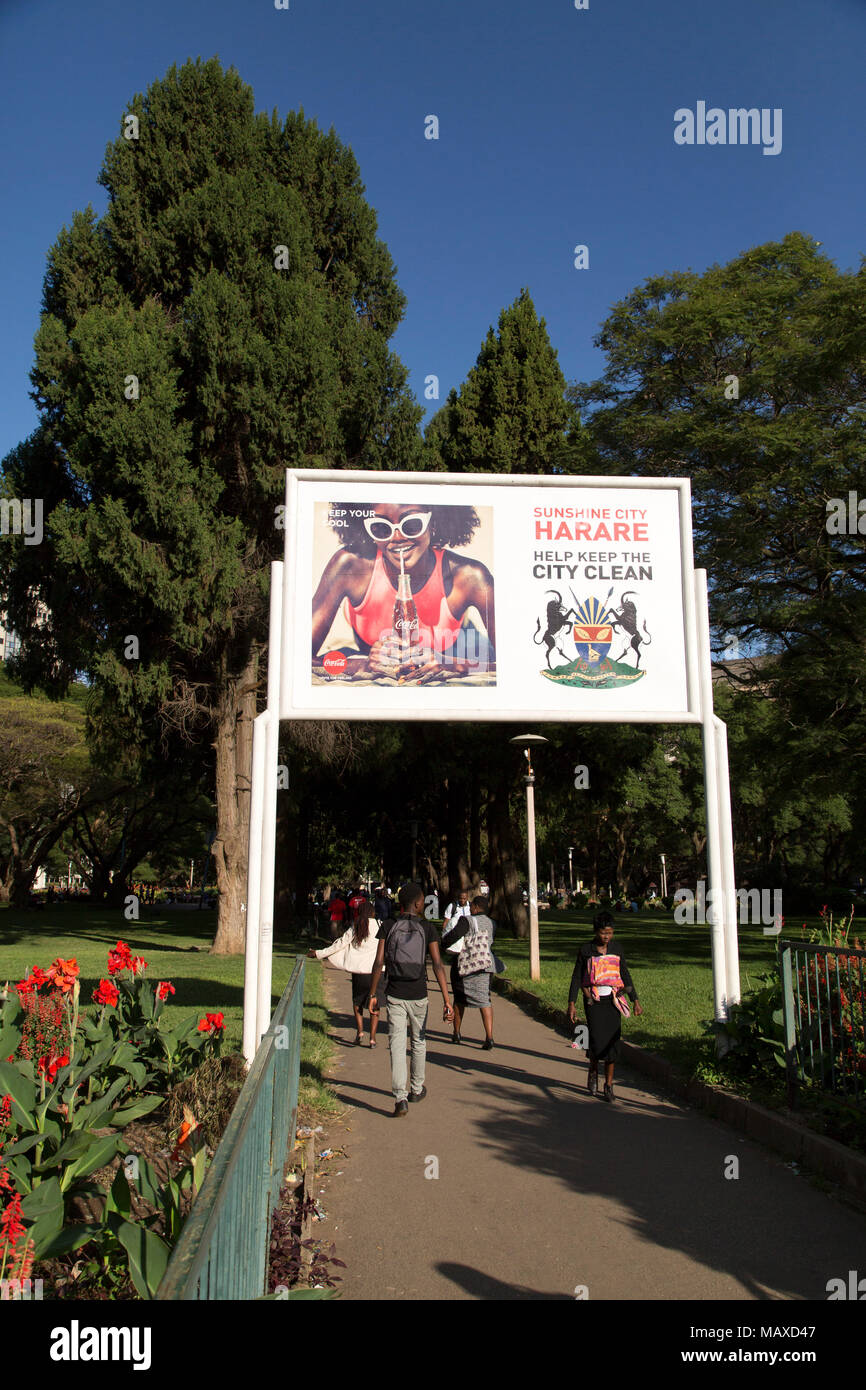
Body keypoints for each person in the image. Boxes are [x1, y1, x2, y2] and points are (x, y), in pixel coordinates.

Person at [311, 502, 495, 680]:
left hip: (450, 648)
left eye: (412, 525)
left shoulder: (469, 576)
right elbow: (300, 656)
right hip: (365, 651)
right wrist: (360, 665)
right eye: (381, 528)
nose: (397, 537)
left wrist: (448, 664)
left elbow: (514, 661)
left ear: (434, 523)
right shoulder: (349, 566)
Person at [368, 882, 454, 1117]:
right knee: (419, 1041)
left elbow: (378, 962)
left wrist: (373, 993)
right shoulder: (428, 929)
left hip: (394, 993)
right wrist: (447, 999)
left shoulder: (388, 925)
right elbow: (437, 964)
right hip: (419, 995)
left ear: (399, 903)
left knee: (396, 1043)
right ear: (418, 904)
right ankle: (416, 1088)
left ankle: (400, 1097)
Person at [567, 911, 643, 1103]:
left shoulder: (617, 949)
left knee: (612, 1043)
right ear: (596, 932)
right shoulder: (586, 950)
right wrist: (572, 1003)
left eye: (610, 933)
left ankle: (609, 1085)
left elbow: (624, 973)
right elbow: (577, 977)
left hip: (613, 1001)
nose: (606, 937)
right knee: (595, 1040)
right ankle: (593, 1071)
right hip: (593, 1002)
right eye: (603, 933)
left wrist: (635, 1000)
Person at [309, 899, 383, 1046]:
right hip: (376, 972)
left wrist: (318, 953)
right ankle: (373, 1038)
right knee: (375, 1004)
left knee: (357, 1003)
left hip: (358, 971)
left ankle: (360, 1031)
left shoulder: (356, 926)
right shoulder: (380, 925)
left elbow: (340, 944)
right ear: (373, 913)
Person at [441, 895, 497, 1048]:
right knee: (485, 999)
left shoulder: (467, 920)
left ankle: (457, 1033)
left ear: (477, 907)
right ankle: (489, 1036)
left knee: (460, 999)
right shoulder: (492, 923)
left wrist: (442, 944)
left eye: (472, 905)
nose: (470, 908)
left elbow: (454, 935)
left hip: (466, 965)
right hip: (485, 966)